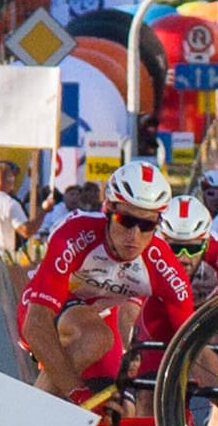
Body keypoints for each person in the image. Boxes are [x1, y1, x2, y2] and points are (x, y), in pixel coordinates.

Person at [19, 160, 194, 398]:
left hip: (99, 318)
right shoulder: (76, 233)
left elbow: (193, 338)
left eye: (146, 225)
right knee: (96, 337)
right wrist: (77, 393)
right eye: (126, 221)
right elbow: (36, 326)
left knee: (115, 418)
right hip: (45, 311)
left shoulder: (161, 264)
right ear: (108, 210)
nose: (134, 236)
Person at [158, 195, 218, 303]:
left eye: (192, 249)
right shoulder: (151, 244)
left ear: (206, 243)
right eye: (175, 248)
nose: (183, 258)